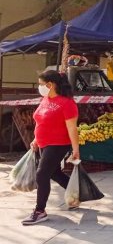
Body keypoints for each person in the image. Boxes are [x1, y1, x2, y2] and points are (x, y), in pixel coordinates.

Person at [22, 70, 79, 225]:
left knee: (42, 174)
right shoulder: (46, 99)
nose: (40, 87)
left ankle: (40, 211)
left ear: (50, 85)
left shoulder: (67, 103)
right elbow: (41, 121)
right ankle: (76, 193)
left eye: (41, 84)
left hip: (59, 144)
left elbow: (72, 128)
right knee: (54, 173)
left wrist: (76, 150)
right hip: (43, 143)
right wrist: (35, 139)